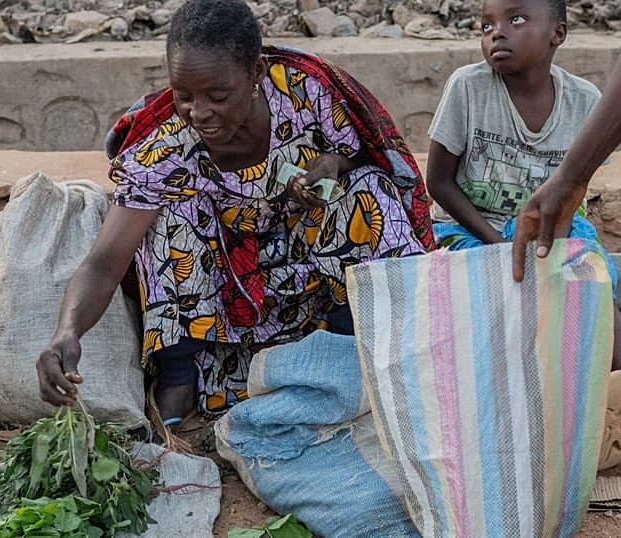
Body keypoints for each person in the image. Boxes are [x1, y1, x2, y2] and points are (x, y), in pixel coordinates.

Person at [36, 0, 434, 425]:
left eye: (218, 95)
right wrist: (68, 331)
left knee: (365, 193)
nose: (199, 112)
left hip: (311, 281)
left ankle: (354, 348)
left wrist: (332, 166)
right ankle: (179, 381)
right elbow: (104, 262)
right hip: (227, 306)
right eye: (183, 95)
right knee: (167, 217)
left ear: (256, 74)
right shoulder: (163, 146)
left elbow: (366, 156)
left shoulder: (304, 92)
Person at [425, 0, 620, 371]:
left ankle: (597, 380)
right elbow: (438, 183)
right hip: (469, 228)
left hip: (549, 226)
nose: (497, 32)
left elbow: (573, 196)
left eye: (515, 19)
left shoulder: (586, 103)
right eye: (486, 25)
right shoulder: (467, 88)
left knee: (590, 284)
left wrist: (548, 253)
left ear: (557, 34)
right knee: (480, 298)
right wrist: (499, 245)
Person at [512, 56, 621, 280]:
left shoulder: (583, 96)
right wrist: (571, 178)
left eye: (518, 18)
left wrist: (572, 178)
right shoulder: (467, 85)